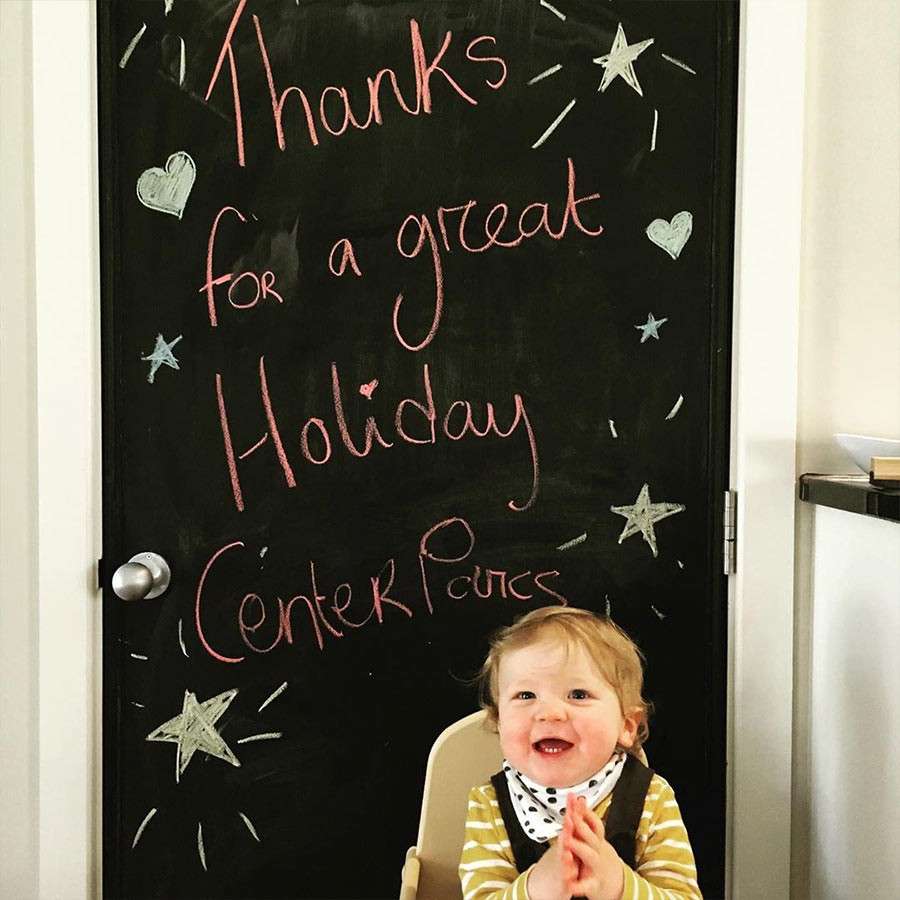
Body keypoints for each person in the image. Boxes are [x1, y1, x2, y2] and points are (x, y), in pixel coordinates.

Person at [459, 606, 701, 900]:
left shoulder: (653, 798)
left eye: (578, 694)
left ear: (626, 726)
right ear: (499, 721)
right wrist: (535, 889)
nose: (549, 713)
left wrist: (617, 884)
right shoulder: (489, 804)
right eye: (526, 695)